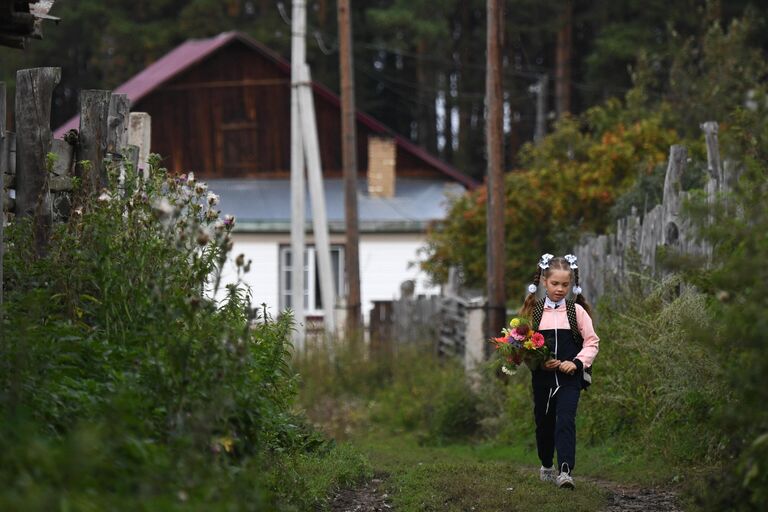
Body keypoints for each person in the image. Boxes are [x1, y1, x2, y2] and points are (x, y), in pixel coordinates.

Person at [518, 253, 599, 490]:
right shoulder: (534, 313)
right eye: (555, 284)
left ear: (572, 284)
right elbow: (521, 346)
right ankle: (546, 464)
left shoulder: (577, 313)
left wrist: (576, 362)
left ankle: (565, 471)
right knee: (544, 423)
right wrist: (539, 363)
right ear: (544, 281)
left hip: (569, 380)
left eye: (566, 284)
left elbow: (592, 342)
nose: (560, 289)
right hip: (542, 381)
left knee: (565, 420)